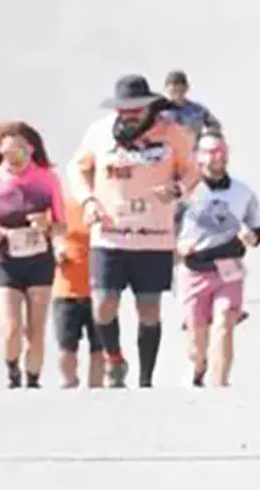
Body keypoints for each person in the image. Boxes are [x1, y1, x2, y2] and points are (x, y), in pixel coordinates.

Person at [66, 74, 199, 389]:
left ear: (150, 107)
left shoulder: (173, 134)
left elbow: (193, 171)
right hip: (110, 233)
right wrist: (87, 200)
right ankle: (114, 359)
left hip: (153, 235)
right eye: (123, 109)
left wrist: (178, 189)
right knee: (102, 304)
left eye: (135, 109)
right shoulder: (99, 132)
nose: (128, 115)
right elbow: (77, 167)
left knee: (149, 308)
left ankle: (145, 379)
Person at [0, 120, 65, 389]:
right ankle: (12, 369)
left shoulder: (46, 179)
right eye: (8, 153)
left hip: (38, 258)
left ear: (31, 150)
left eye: (19, 152)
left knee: (36, 328)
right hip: (4, 258)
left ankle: (32, 380)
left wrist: (46, 226)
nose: (14, 159)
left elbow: (61, 224)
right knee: (10, 328)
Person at [173, 133, 260, 388]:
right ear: (198, 157)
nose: (218, 156)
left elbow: (258, 229)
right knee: (196, 336)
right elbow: (167, 226)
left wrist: (251, 237)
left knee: (225, 320)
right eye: (211, 151)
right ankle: (199, 366)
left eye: (221, 150)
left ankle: (221, 384)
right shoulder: (185, 191)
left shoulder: (242, 192)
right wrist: (178, 246)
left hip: (229, 266)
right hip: (194, 269)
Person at [50, 179, 106, 389]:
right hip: (66, 289)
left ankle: (96, 389)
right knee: (66, 346)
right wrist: (57, 248)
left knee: (99, 347)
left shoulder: (108, 204)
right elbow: (51, 232)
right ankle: (69, 383)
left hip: (100, 288)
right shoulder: (64, 206)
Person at [161, 70, 221, 135]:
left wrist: (205, 136)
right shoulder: (161, 110)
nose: (178, 88)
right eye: (174, 86)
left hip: (194, 143)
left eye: (181, 85)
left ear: (186, 87)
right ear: (166, 88)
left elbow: (215, 125)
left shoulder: (198, 110)